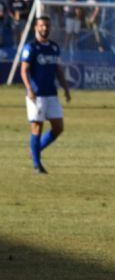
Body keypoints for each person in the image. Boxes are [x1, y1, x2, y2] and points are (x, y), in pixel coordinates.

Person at [20, 16, 71, 174]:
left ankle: (36, 150)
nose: (45, 28)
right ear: (36, 27)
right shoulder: (31, 47)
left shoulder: (54, 47)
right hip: (37, 94)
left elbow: (58, 69)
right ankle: (37, 165)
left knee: (58, 128)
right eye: (42, 25)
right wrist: (29, 88)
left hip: (51, 94)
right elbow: (23, 70)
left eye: (47, 26)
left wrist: (66, 88)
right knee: (37, 127)